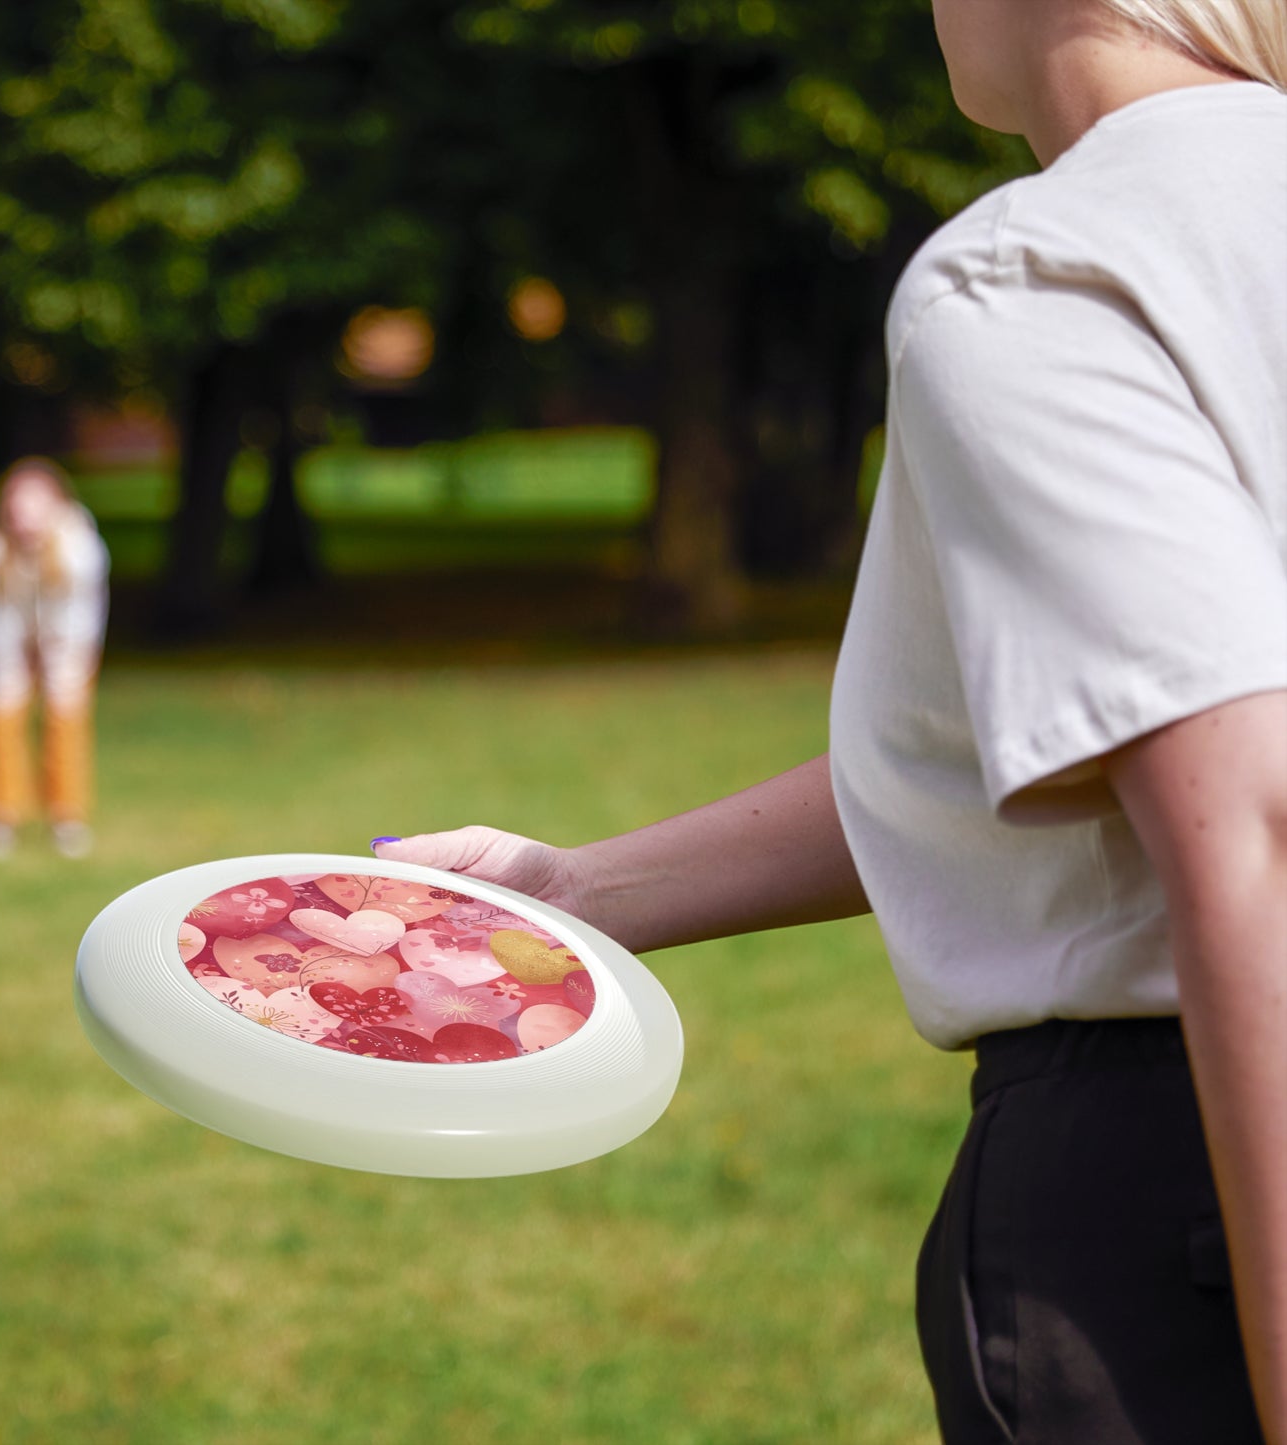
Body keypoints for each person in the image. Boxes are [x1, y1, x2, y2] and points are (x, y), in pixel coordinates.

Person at [371, 2, 1287, 1440]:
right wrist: (576, 889)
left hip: (1184, 1191)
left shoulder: (1045, 270)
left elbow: (1250, 821)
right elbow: (1063, 742)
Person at [0, 457, 110, 860]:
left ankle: (67, 817)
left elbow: (80, 616)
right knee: (0, 713)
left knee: (65, 717)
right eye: (16, 506)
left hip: (68, 642)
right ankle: (0, 816)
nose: (24, 517)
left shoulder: (80, 548)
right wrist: (9, 665)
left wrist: (57, 660)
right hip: (7, 640)